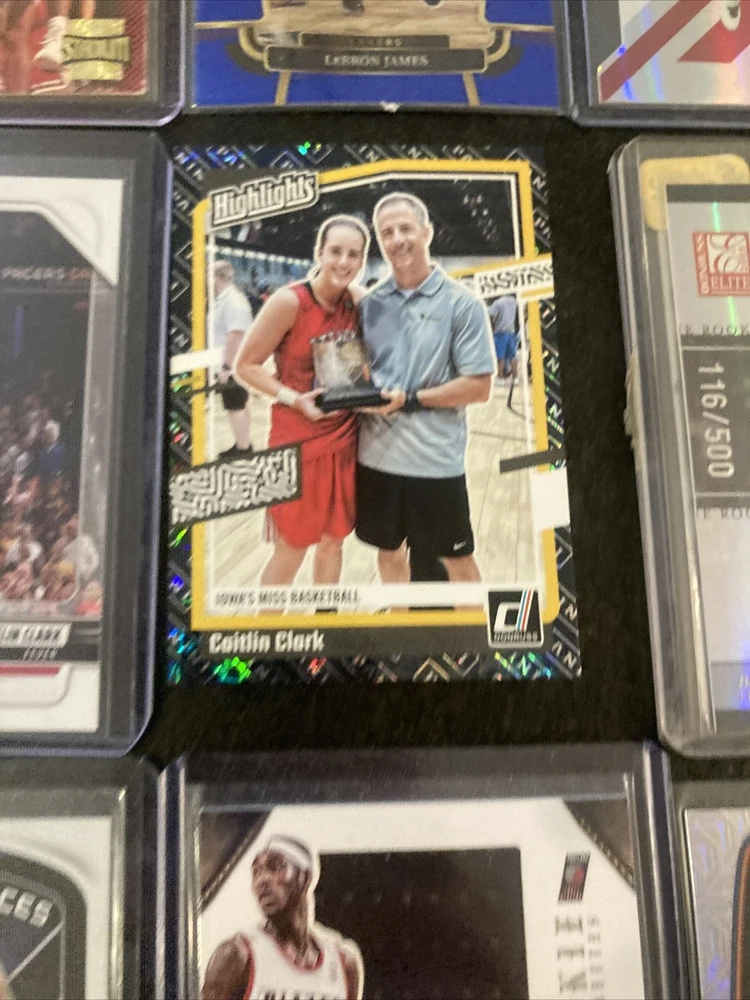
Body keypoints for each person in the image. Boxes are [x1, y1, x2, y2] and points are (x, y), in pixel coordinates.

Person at [356, 192, 494, 585]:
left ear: (427, 232)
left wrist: (411, 400)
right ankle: (401, 620)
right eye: (387, 232)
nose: (397, 239)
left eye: (405, 228)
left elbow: (479, 387)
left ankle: (472, 625)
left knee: (457, 562)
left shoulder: (462, 304)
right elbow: (361, 372)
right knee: (388, 553)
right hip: (377, 460)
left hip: (434, 462)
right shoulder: (370, 305)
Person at [234, 215, 368, 587]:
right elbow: (245, 366)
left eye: (353, 254)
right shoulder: (288, 302)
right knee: (290, 549)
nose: (343, 262)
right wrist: (294, 399)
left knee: (333, 545)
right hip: (297, 441)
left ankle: (324, 623)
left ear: (362, 260)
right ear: (319, 253)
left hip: (344, 439)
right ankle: (271, 624)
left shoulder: (358, 302)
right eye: (335, 251)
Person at [202, 836, 363, 1000]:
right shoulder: (236, 954)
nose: (262, 880)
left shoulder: (344, 961)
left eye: (275, 867)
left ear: (305, 878)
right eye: (256, 872)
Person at [210, 260, 254, 459]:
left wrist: (227, 367)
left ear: (216, 277)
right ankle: (242, 443)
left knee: (236, 406)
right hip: (231, 363)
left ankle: (244, 449)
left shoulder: (233, 301)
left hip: (233, 365)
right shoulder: (226, 299)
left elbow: (236, 335)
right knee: (236, 405)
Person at [488, 293, 518, 381]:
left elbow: (492, 318)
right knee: (512, 355)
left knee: (500, 356)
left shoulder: (497, 303)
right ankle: (515, 376)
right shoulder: (513, 301)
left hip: (500, 333)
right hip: (511, 332)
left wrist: (491, 329)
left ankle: (500, 376)